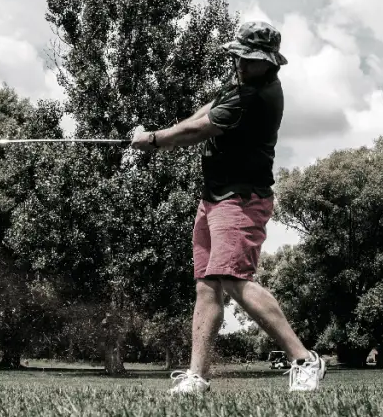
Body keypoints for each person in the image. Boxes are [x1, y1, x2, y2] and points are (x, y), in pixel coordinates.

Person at [130, 21, 326, 394]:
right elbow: (205, 113)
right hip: (214, 198)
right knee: (207, 286)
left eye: (247, 58)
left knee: (234, 280)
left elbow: (196, 133)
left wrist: (152, 139)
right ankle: (197, 376)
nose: (239, 61)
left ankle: (303, 359)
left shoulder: (254, 98)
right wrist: (157, 134)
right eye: (238, 55)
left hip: (241, 200)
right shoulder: (244, 83)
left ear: (269, 63)